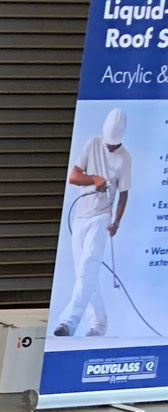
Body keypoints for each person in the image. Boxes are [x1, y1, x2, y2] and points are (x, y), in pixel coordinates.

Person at [53, 108, 132, 337]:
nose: (110, 147)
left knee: (88, 266)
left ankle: (68, 322)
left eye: (114, 145)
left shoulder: (126, 159)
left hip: (102, 218)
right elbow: (74, 176)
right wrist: (94, 179)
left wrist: (116, 221)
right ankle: (99, 324)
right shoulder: (92, 144)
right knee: (84, 273)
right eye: (108, 143)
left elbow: (124, 193)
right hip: (80, 217)